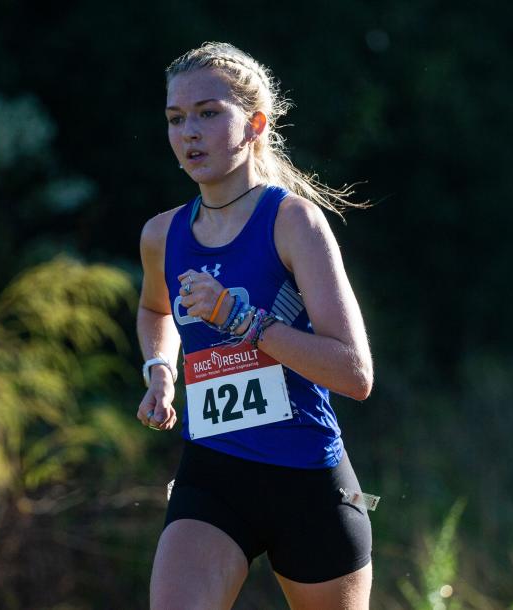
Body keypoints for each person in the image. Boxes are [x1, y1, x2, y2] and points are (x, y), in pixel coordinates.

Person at [136, 41, 375, 610]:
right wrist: (160, 370)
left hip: (308, 480)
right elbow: (154, 310)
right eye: (176, 119)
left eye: (209, 113)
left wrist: (241, 320)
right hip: (213, 476)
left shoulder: (294, 222)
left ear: (255, 124)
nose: (189, 132)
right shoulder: (161, 236)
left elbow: (355, 372)